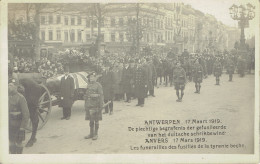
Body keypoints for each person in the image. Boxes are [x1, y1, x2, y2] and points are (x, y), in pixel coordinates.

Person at [9, 81, 30, 154]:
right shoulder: (7, 97)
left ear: (15, 87)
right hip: (10, 125)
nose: (9, 87)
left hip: (18, 125)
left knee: (19, 143)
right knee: (11, 142)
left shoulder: (21, 98)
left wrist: (22, 127)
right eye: (8, 85)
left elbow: (26, 114)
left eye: (11, 85)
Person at [84, 72, 104, 140]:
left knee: (96, 120)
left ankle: (96, 134)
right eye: (90, 77)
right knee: (91, 120)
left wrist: (101, 106)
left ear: (95, 78)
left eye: (92, 77)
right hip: (89, 105)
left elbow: (101, 96)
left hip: (96, 105)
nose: (91, 78)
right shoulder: (88, 85)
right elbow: (86, 95)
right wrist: (86, 105)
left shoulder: (98, 85)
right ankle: (91, 134)